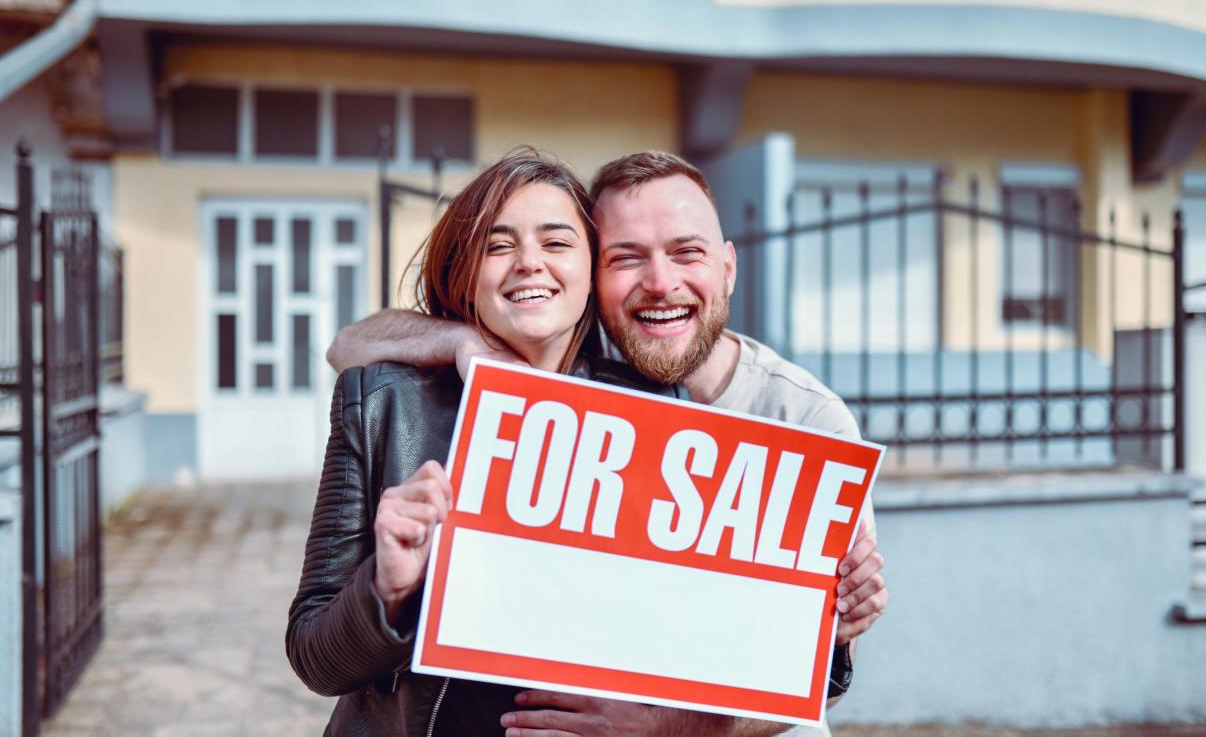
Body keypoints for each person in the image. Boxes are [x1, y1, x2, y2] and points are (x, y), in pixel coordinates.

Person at [327, 151, 889, 736]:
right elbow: (349, 343)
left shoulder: (808, 419)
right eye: (626, 258)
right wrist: (465, 342)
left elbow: (812, 674)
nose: (661, 282)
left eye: (686, 251)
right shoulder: (588, 355)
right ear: (595, 276)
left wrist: (838, 619)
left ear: (728, 267)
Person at [287, 150, 687, 736]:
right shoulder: (383, 403)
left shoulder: (656, 410)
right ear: (465, 273)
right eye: (498, 246)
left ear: (593, 269)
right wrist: (388, 588)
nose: (529, 263)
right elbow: (314, 658)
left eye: (556, 243)